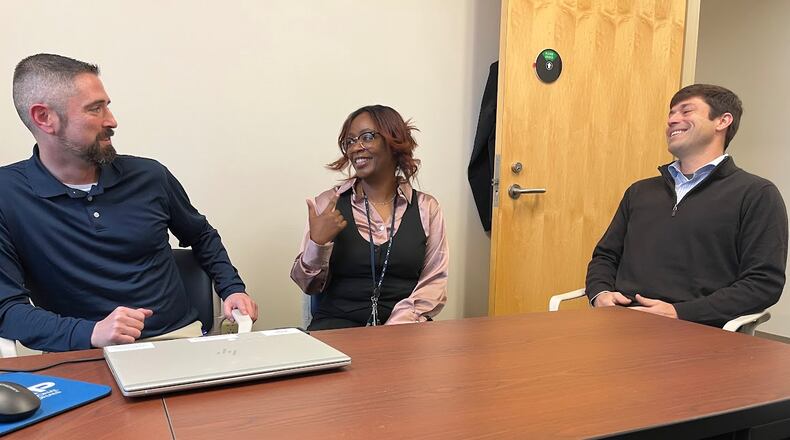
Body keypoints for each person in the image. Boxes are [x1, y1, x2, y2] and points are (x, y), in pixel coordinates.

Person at [0, 53, 258, 352]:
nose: (112, 121)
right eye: (95, 109)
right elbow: (6, 310)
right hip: (80, 354)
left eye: (107, 105)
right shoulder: (7, 195)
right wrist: (92, 333)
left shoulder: (150, 175)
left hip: (176, 341)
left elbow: (201, 236)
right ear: (44, 118)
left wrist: (232, 289)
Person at [586, 84, 788, 327]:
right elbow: (605, 256)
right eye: (671, 113)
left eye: (685, 111)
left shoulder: (756, 194)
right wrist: (600, 294)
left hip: (696, 330)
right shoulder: (639, 192)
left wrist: (680, 312)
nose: (672, 120)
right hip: (620, 324)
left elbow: (763, 283)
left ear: (722, 121)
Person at [291, 105, 448, 330]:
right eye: (350, 141)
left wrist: (392, 330)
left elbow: (434, 284)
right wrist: (317, 245)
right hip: (337, 330)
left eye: (366, 137)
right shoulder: (328, 204)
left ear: (393, 141)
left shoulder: (426, 208)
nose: (356, 147)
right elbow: (308, 285)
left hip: (403, 331)